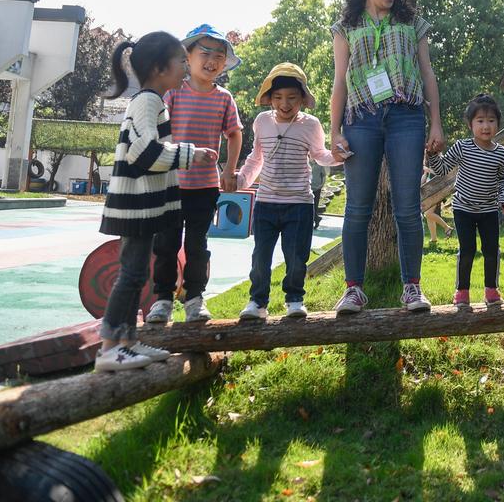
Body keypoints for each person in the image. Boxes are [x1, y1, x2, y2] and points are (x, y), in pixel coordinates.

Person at [330, 0, 445, 314]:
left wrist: (436, 123)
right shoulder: (347, 26)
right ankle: (354, 290)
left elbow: (428, 73)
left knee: (408, 207)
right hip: (360, 119)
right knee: (357, 208)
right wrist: (335, 131)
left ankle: (412, 287)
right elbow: (340, 82)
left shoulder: (412, 23)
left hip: (406, 118)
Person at [95, 33, 217, 371]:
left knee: (136, 274)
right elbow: (144, 153)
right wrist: (190, 154)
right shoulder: (147, 101)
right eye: (181, 62)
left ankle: (126, 343)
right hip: (134, 205)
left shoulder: (153, 100)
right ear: (159, 68)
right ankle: (110, 347)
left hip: (143, 205)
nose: (185, 69)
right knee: (131, 274)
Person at [146, 24, 242, 325]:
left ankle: (194, 298)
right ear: (188, 56)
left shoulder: (224, 98)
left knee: (197, 244)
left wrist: (229, 169)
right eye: (205, 53)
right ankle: (161, 299)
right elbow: (158, 129)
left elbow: (234, 134)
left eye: (219, 55)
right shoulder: (174, 93)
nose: (212, 60)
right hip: (170, 183)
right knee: (166, 243)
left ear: (224, 63)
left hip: (205, 186)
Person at [236, 63, 341, 321]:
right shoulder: (262, 122)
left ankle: (294, 299)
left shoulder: (310, 125)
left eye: (292, 98)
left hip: (299, 203)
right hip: (266, 202)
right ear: (270, 99)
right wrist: (241, 180)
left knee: (296, 257)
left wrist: (338, 157)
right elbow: (256, 157)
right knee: (261, 255)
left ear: (302, 100)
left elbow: (320, 155)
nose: (285, 103)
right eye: (278, 97)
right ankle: (257, 302)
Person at [426, 94, 504, 309]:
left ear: (498, 123)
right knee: (468, 249)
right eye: (480, 121)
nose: (486, 126)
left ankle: (491, 290)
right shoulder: (463, 147)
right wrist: (433, 155)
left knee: (492, 249)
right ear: (470, 124)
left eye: (491, 120)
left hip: (489, 210)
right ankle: (462, 291)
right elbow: (442, 169)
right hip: (463, 209)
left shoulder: (501, 153)